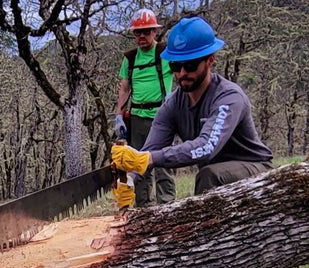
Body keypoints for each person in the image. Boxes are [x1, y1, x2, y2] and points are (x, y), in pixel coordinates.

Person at [111, 16, 272, 195]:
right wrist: (130, 178)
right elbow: (149, 151)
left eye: (190, 65)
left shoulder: (229, 97)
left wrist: (149, 158)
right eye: (175, 66)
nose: (182, 73)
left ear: (210, 60)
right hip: (218, 175)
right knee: (209, 174)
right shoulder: (172, 105)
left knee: (209, 175)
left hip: (256, 171)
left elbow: (206, 147)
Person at [114, 9, 176, 206]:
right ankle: (144, 206)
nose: (142, 36)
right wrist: (119, 116)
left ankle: (167, 204)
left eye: (146, 31)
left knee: (163, 161)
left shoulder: (165, 54)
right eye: (138, 32)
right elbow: (125, 88)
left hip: (162, 115)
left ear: (154, 32)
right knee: (137, 161)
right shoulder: (130, 58)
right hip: (137, 116)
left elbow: (183, 75)